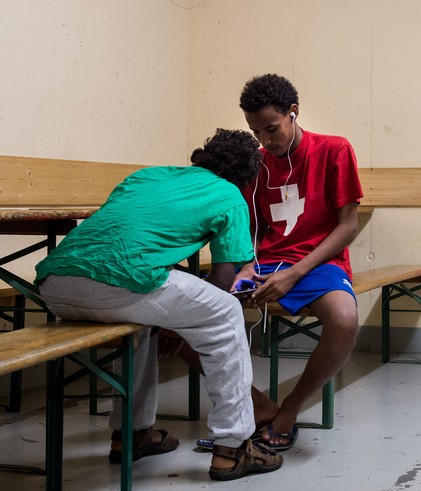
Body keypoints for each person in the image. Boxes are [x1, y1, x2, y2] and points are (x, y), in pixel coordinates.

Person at [35, 129, 283, 480]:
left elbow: (120, 232)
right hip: (119, 284)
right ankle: (233, 447)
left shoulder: (146, 175)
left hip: (56, 285)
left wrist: (171, 320)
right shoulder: (230, 195)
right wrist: (181, 323)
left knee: (141, 325)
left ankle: (132, 436)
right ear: (246, 176)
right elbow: (225, 279)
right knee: (227, 313)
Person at [237, 73, 364, 448]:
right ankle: (262, 409)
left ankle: (290, 408)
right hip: (264, 265)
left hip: (317, 263)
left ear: (293, 113)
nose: (264, 141)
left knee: (344, 319)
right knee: (186, 322)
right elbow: (249, 228)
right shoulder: (255, 165)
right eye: (255, 132)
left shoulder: (334, 150)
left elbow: (348, 227)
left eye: (271, 129)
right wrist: (245, 265)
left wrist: (295, 273)